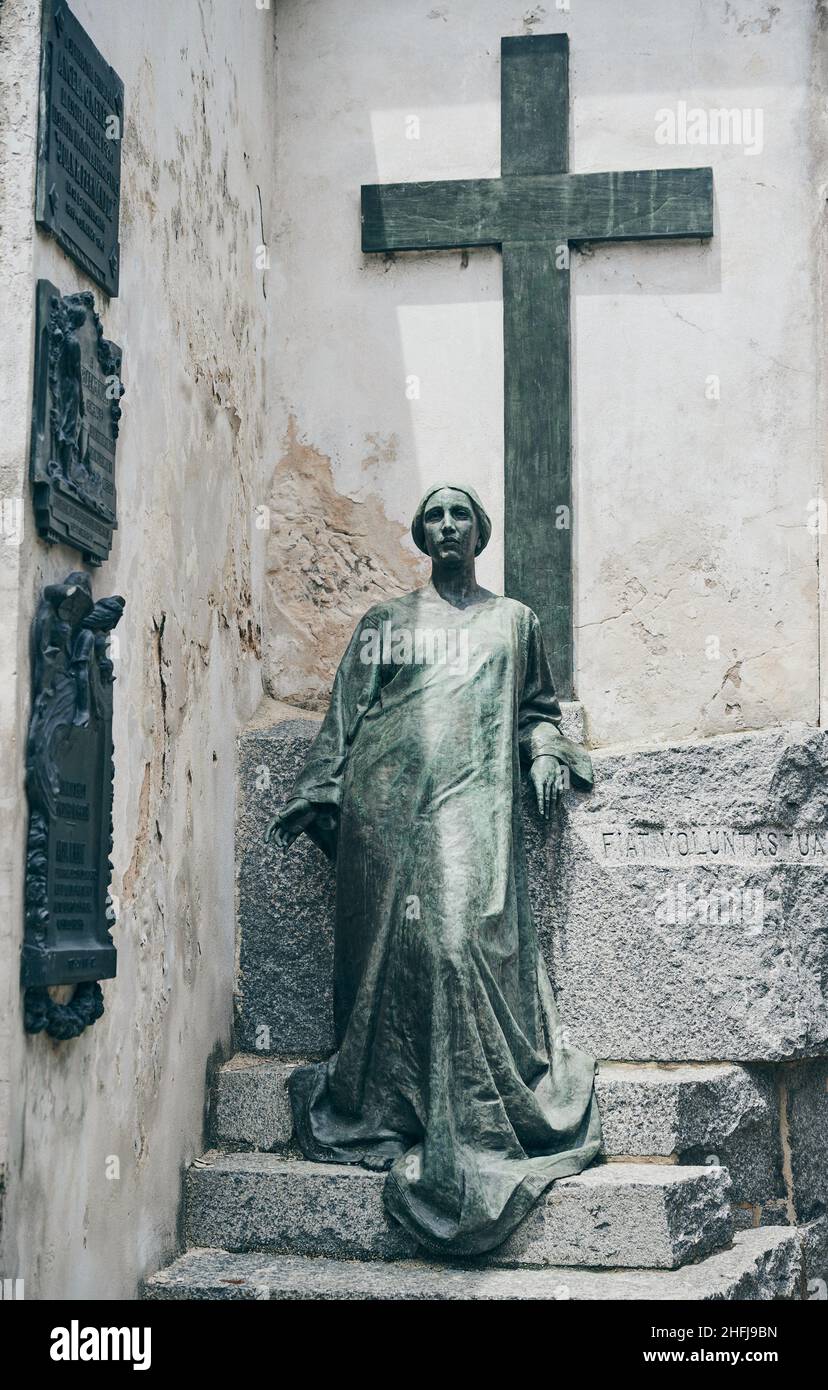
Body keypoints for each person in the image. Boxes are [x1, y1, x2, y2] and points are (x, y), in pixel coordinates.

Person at [265, 483, 602, 1256]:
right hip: (387, 813)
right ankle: (399, 1103)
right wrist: (318, 789)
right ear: (421, 534)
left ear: (479, 532)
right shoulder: (386, 623)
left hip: (472, 805)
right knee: (403, 956)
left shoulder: (515, 622)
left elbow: (536, 708)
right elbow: (347, 714)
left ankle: (468, 1117)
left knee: (457, 943)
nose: (448, 526)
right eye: (435, 516)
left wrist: (545, 748)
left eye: (460, 515)